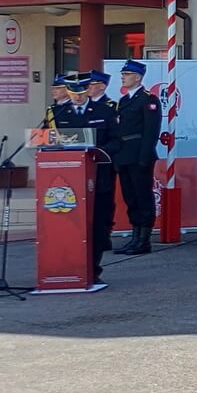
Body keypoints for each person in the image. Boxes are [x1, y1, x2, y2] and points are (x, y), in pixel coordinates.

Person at [111, 59, 161, 255]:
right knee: (130, 198)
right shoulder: (124, 101)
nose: (123, 77)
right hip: (124, 156)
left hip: (139, 155)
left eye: (127, 74)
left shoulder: (148, 100)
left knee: (142, 197)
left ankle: (144, 240)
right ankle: (134, 237)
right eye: (123, 74)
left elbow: (151, 131)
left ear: (138, 77)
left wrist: (144, 157)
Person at [75, 70, 118, 279]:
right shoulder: (58, 113)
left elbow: (116, 141)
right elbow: (49, 140)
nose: (80, 93)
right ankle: (66, 266)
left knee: (97, 223)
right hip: (69, 178)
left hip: (97, 176)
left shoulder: (106, 111)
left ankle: (92, 270)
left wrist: (99, 152)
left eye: (86, 87)